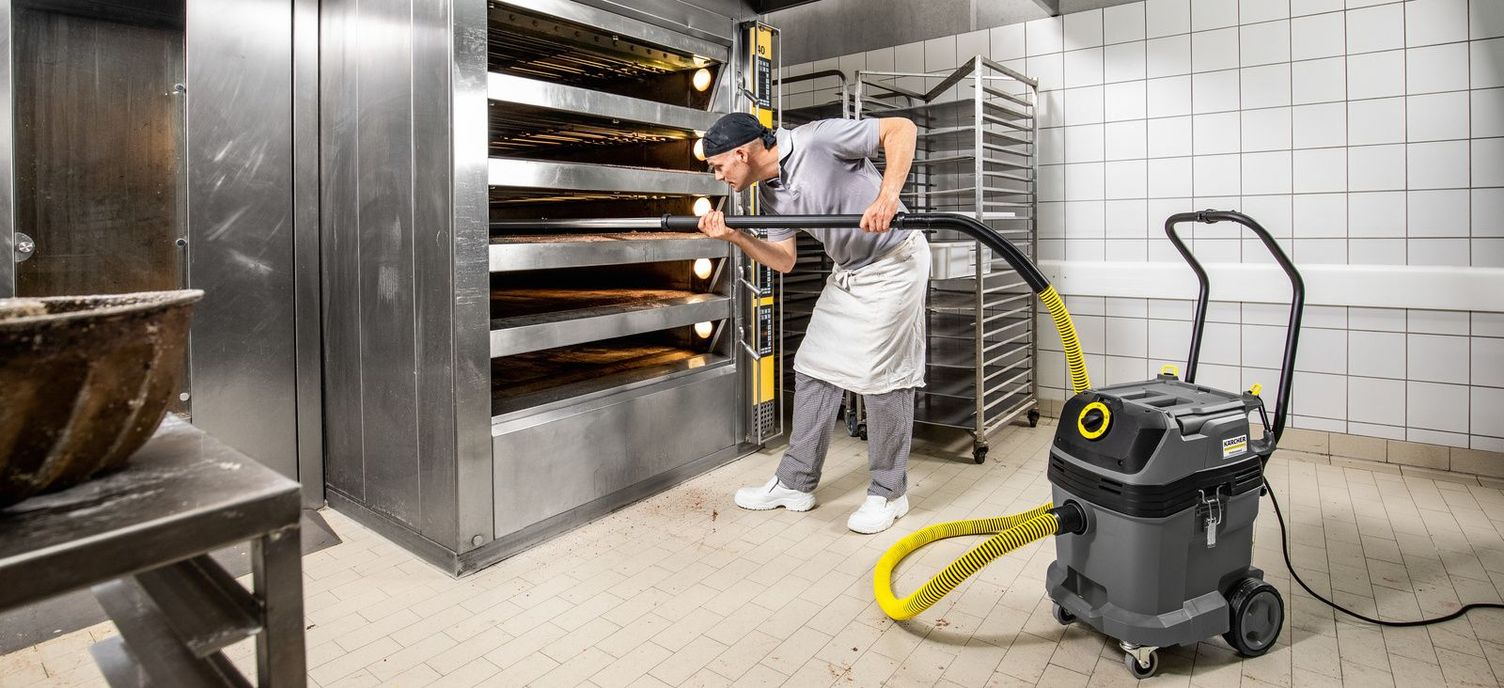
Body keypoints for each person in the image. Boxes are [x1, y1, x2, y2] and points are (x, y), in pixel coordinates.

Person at [696, 112, 927, 534]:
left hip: (896, 262)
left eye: (718, 166)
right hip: (850, 272)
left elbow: (902, 129)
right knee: (813, 367)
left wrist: (888, 197)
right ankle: (795, 482)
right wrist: (735, 237)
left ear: (741, 154)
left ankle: (890, 492)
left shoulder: (817, 140)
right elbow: (784, 261)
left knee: (884, 377)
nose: (718, 177)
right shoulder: (771, 194)